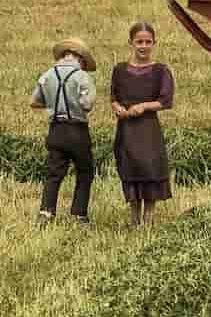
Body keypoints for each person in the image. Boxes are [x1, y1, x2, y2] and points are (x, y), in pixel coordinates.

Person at [110, 21, 175, 227]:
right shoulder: (119, 70)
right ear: (131, 42)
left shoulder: (161, 71)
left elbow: (166, 101)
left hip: (148, 129)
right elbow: (113, 97)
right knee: (130, 169)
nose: (144, 46)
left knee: (150, 170)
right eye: (139, 42)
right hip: (127, 129)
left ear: (154, 43)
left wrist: (144, 106)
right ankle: (133, 219)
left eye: (148, 42)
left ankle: (148, 220)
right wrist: (117, 107)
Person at [31, 37, 98, 227]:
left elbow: (34, 101)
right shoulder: (82, 76)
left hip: (55, 130)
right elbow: (87, 104)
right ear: (80, 58)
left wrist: (53, 104)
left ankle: (46, 212)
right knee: (84, 171)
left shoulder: (47, 75)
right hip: (77, 130)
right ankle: (78, 215)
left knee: (54, 173)